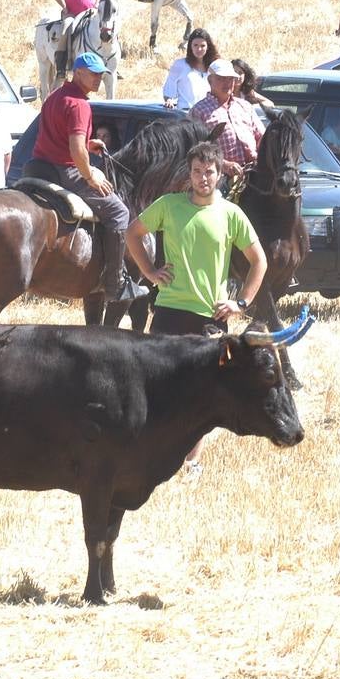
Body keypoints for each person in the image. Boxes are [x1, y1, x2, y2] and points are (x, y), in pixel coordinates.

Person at [126, 140, 267, 470]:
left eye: (210, 172)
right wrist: (149, 271)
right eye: (197, 172)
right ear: (188, 174)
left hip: (210, 315)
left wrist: (240, 302)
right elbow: (133, 233)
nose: (203, 178)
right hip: (170, 308)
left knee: (201, 393)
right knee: (158, 384)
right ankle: (155, 455)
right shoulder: (168, 205)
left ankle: (191, 462)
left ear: (220, 174)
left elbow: (259, 261)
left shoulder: (231, 213)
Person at [23, 51, 147, 302]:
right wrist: (91, 175)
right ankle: (115, 284)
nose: (98, 78)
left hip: (37, 167)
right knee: (120, 213)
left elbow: (60, 137)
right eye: (93, 73)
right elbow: (74, 150)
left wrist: (88, 144)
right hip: (65, 171)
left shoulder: (55, 96)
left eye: (101, 73)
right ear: (77, 72)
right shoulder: (79, 104)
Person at [190, 59, 265, 176]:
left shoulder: (245, 106)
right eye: (221, 78)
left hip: (253, 175)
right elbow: (194, 149)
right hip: (220, 178)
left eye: (231, 79)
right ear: (210, 81)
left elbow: (262, 137)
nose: (227, 83)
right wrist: (223, 164)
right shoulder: (199, 111)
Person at [163, 28, 216, 110]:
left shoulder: (214, 66)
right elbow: (169, 90)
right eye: (195, 45)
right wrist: (169, 101)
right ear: (190, 46)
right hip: (186, 114)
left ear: (208, 47)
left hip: (207, 113)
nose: (199, 49)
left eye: (202, 46)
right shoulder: (180, 64)